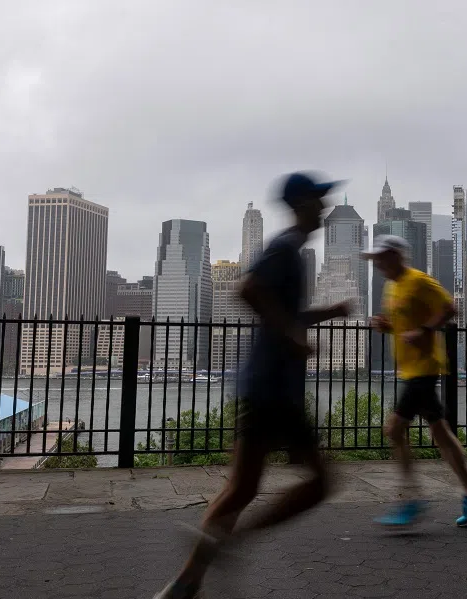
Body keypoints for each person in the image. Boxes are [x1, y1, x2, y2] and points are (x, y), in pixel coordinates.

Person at [155, 172, 350, 599]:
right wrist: (293, 334)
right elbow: (248, 289)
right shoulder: (283, 248)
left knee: (240, 488)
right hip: (275, 389)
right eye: (319, 200)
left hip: (262, 385)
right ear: (300, 203)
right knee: (320, 482)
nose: (325, 208)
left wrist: (327, 313)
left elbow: (279, 309)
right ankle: (234, 541)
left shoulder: (292, 253)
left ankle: (186, 583)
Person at [364, 235, 467, 528]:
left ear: (397, 255)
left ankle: (412, 500)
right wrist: (387, 327)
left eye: (382, 257)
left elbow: (449, 307)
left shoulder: (419, 280)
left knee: (394, 430)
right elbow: (402, 324)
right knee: (441, 435)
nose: (378, 264)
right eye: (376, 260)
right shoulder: (390, 287)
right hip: (409, 369)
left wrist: (424, 330)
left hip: (424, 368)